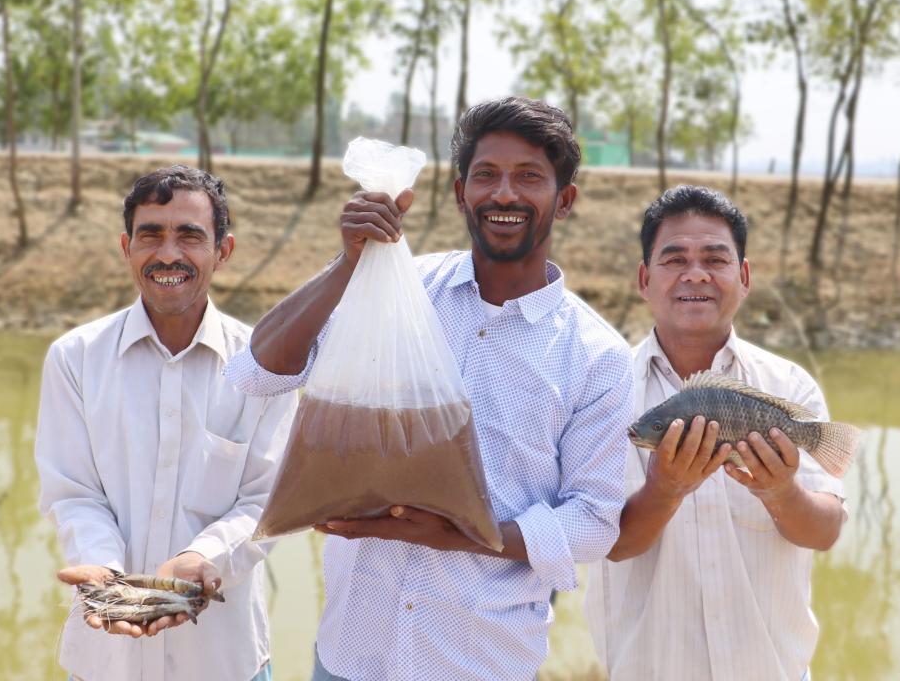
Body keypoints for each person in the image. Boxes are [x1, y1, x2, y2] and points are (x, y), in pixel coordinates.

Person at [226, 97, 634, 680]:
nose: (504, 195)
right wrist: (349, 263)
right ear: (460, 192)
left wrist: (466, 536)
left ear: (564, 200)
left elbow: (593, 522)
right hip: (350, 656)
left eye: (529, 177)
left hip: (481, 662)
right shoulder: (400, 289)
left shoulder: (595, 356)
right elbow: (257, 372)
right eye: (486, 175)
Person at [36, 165, 296, 681]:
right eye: (151, 235)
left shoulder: (266, 365)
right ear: (126, 247)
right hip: (106, 659)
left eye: (190, 236)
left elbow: (267, 504)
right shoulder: (75, 358)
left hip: (224, 661)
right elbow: (74, 494)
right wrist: (105, 575)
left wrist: (203, 558)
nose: (169, 254)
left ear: (223, 251)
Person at [584, 185, 847, 681]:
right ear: (644, 279)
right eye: (674, 259)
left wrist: (781, 490)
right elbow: (607, 544)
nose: (696, 274)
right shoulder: (600, 392)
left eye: (715, 259)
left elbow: (825, 532)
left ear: (744, 277)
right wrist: (665, 488)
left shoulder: (789, 385)